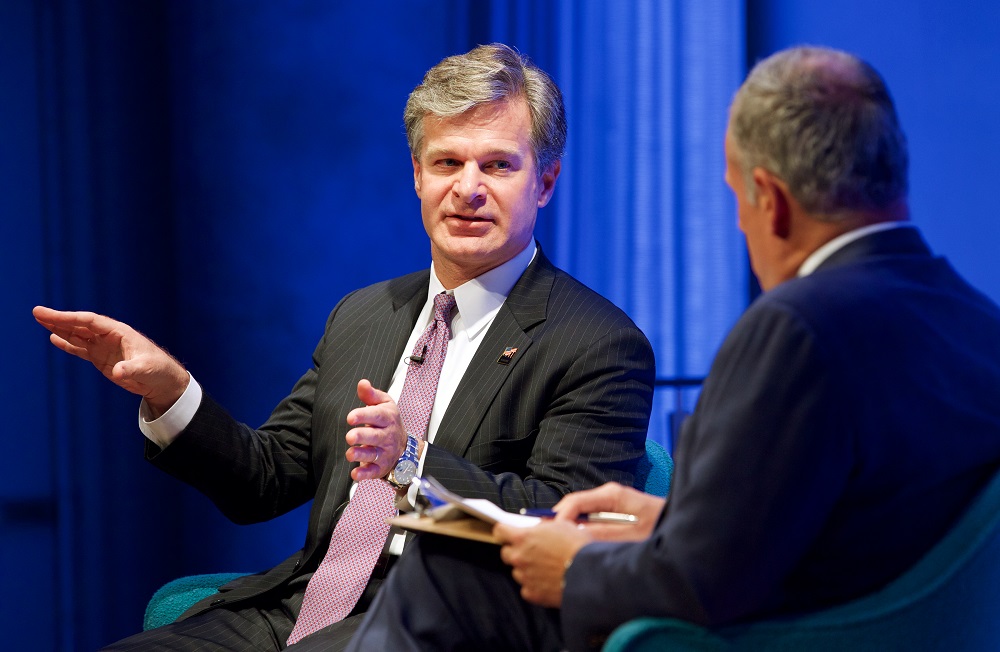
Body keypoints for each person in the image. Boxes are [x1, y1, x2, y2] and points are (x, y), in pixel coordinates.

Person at [345, 45, 1000, 652]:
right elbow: (853, 528)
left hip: (773, 635)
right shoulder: (977, 321)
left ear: (768, 200)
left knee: (452, 565)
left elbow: (700, 585)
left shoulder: (797, 328)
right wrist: (671, 521)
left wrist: (573, 564)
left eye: (736, 197)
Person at [33, 43, 656, 651]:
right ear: (417, 175)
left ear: (545, 181)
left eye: (498, 165)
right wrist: (169, 389)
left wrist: (412, 461)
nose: (468, 188)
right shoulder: (363, 314)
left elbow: (562, 525)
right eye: (446, 163)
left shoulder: (598, 343)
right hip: (302, 606)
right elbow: (264, 480)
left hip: (445, 620)